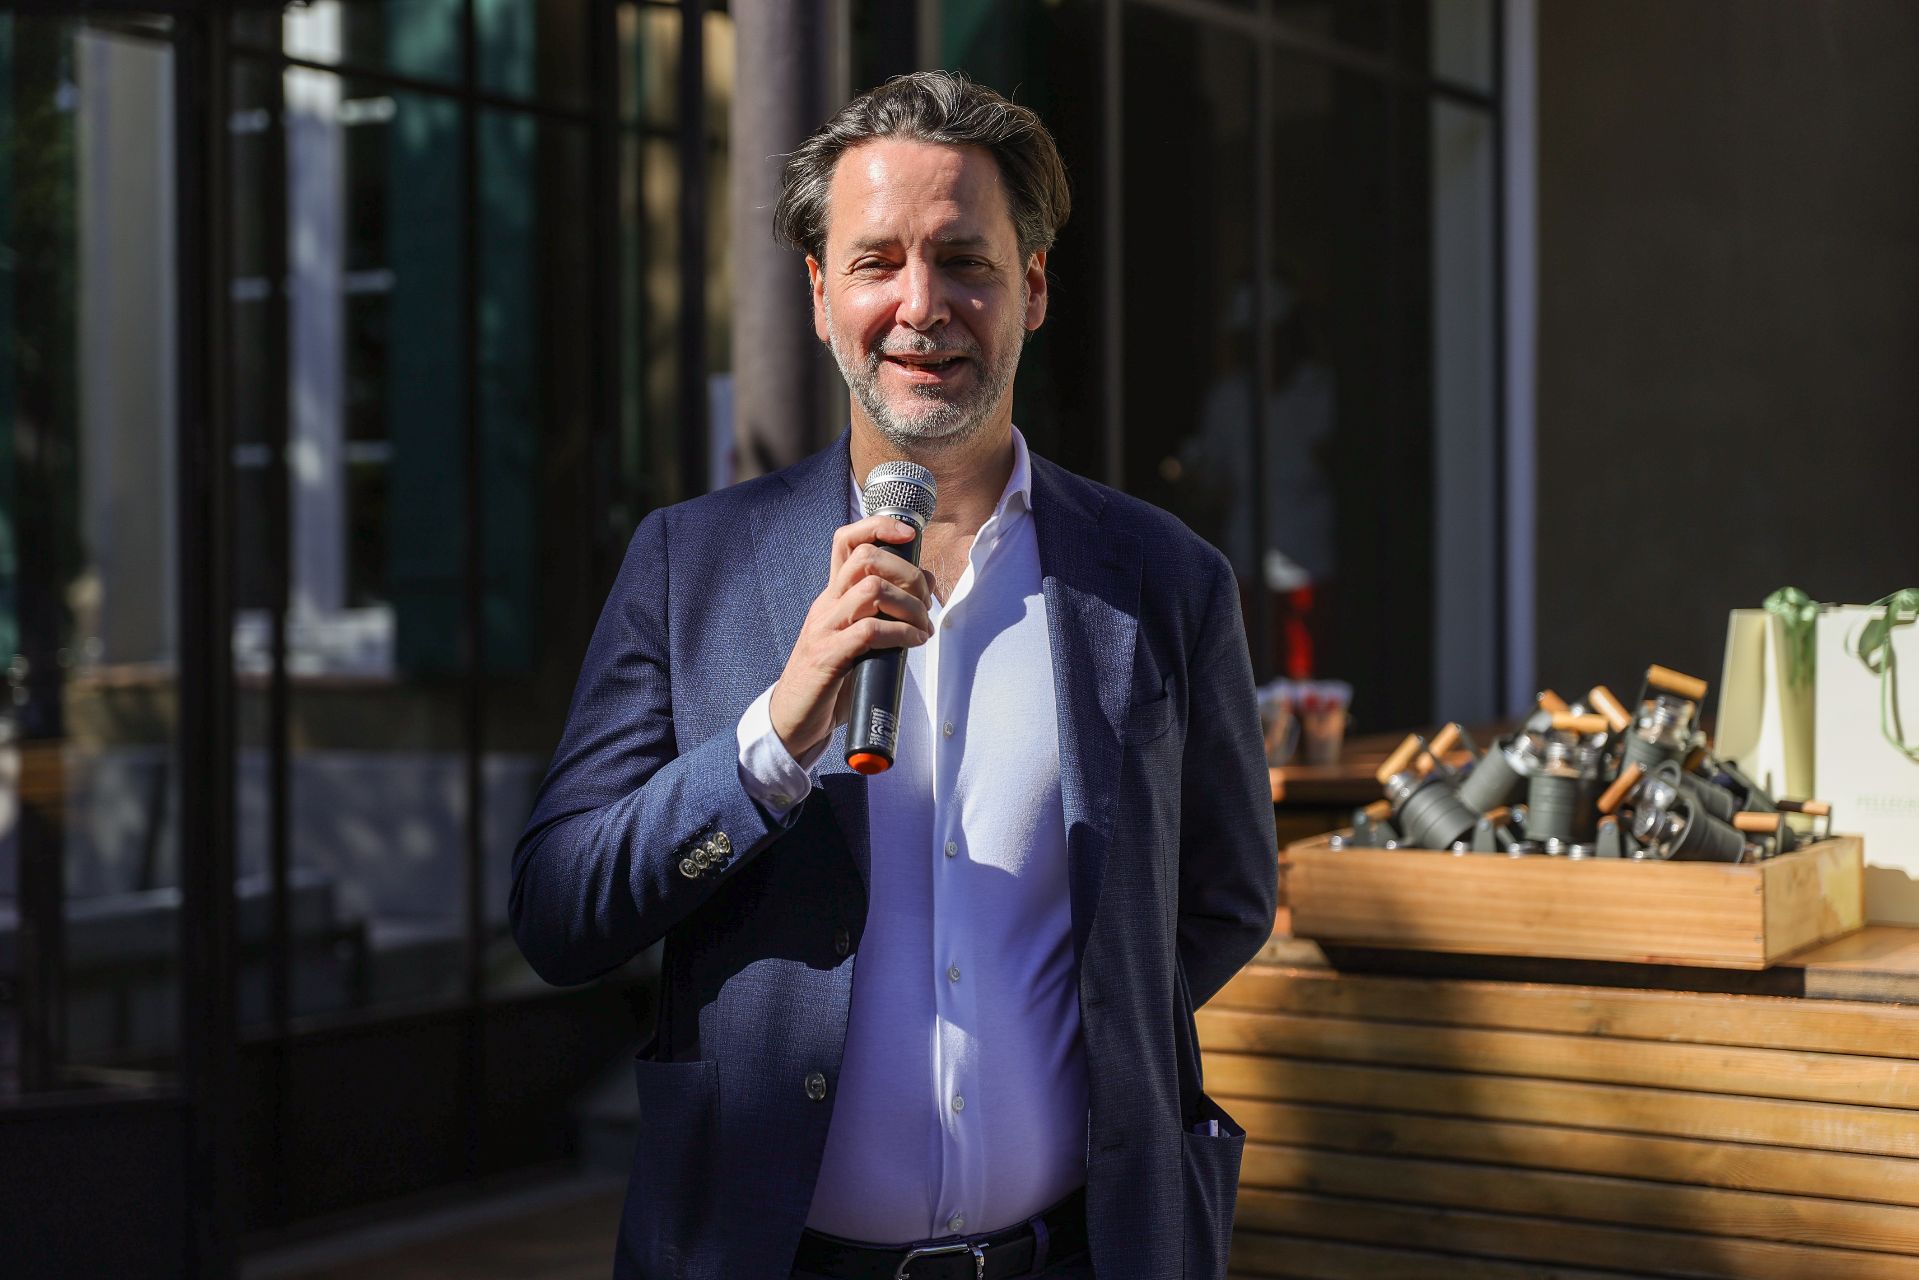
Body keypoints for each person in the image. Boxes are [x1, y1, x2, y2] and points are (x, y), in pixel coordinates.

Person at [511, 71, 1277, 1280]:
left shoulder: (1163, 579)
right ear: (820, 293)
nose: (921, 305)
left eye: (964, 260)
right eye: (877, 262)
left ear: (1032, 287)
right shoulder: (687, 565)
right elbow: (560, 911)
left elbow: (1224, 897)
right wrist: (768, 742)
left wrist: (1082, 1038)